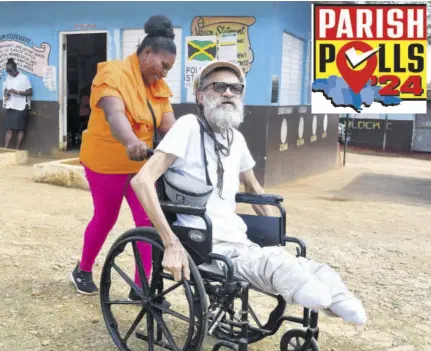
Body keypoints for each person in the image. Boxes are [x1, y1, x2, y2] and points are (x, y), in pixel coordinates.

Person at [130, 60, 367, 325]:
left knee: (297, 263)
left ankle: (333, 295)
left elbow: (254, 190)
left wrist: (272, 237)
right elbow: (142, 181)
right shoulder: (188, 127)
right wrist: (170, 242)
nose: (228, 93)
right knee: (274, 266)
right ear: (200, 96)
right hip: (203, 244)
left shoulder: (236, 138)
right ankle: (317, 295)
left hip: (238, 240)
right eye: (219, 87)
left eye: (236, 88)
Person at [70, 15, 177, 295]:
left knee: (148, 222)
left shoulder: (158, 85)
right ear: (147, 53)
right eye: (163, 65)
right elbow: (114, 113)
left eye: (169, 68)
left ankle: (141, 287)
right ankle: (82, 269)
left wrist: (191, 143)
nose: (164, 72)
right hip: (105, 162)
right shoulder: (113, 73)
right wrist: (130, 141)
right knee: (106, 217)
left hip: (140, 166)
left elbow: (169, 125)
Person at [2, 58, 32, 149]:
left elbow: (30, 92)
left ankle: (17, 149)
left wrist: (16, 92)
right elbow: (6, 90)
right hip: (10, 106)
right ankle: (5, 149)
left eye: (11, 72)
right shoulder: (8, 78)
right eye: (8, 73)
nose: (10, 74)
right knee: (9, 129)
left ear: (15, 70)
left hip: (21, 106)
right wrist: (6, 94)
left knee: (20, 129)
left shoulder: (24, 78)